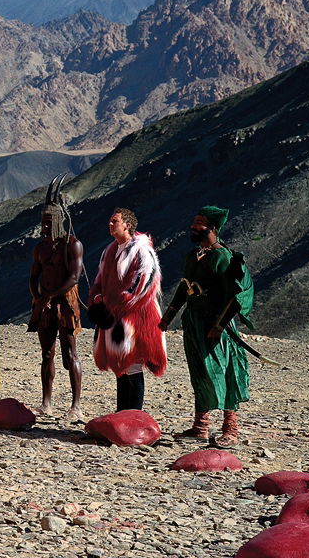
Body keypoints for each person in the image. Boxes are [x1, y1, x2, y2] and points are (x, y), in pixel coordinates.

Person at [159, 206, 251, 448]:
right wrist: (168, 316)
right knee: (200, 372)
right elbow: (184, 287)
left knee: (223, 371)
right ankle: (200, 427)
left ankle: (230, 428)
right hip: (194, 322)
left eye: (199, 222)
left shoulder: (223, 257)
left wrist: (220, 326)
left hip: (215, 324)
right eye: (194, 220)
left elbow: (234, 296)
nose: (193, 225)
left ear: (212, 228)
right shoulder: (193, 256)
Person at [89, 208, 167, 413]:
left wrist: (116, 300)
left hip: (135, 317)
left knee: (132, 365)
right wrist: (98, 297)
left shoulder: (141, 250)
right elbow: (100, 279)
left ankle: (134, 416)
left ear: (127, 225)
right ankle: (122, 413)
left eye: (114, 221)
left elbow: (143, 283)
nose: (110, 224)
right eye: (110, 221)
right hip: (116, 315)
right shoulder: (110, 250)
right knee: (121, 366)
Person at [28, 176, 84, 420]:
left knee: (70, 353)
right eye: (43, 221)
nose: (45, 226)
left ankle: (76, 406)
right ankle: (46, 403)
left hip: (65, 304)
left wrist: (49, 296)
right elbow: (33, 277)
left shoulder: (73, 245)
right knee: (46, 353)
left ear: (60, 220)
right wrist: (38, 298)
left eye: (49, 221)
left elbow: (73, 278)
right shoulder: (40, 248)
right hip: (44, 304)